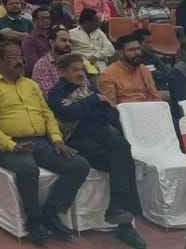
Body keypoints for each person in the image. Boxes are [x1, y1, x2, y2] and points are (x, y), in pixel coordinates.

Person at [0, 40, 89, 244]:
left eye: (20, 56)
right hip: (10, 146)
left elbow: (47, 115)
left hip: (41, 142)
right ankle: (34, 222)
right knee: (28, 170)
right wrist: (12, 145)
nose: (19, 61)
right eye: (12, 58)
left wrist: (57, 140)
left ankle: (51, 213)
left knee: (79, 165)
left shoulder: (31, 85)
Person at [46, 54, 147, 248]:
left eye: (82, 69)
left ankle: (120, 214)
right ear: (62, 72)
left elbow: (110, 112)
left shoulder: (89, 87)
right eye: (75, 70)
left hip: (102, 138)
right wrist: (94, 100)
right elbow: (69, 113)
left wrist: (95, 103)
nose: (80, 73)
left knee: (122, 155)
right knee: (123, 159)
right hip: (78, 141)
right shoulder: (56, 93)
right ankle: (123, 222)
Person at [98, 34, 164, 105]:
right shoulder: (108, 74)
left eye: (138, 49)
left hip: (147, 108)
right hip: (124, 110)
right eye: (131, 50)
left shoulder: (143, 69)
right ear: (120, 53)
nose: (137, 53)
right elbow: (110, 105)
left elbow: (155, 95)